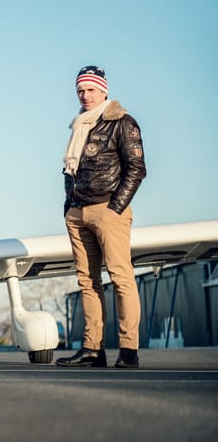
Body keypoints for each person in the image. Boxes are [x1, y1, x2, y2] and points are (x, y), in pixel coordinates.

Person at [56, 65, 146, 369]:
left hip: (109, 209)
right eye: (80, 90)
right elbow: (71, 169)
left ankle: (128, 350)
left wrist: (115, 207)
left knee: (121, 277)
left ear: (103, 90)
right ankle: (93, 349)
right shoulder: (79, 125)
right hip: (78, 212)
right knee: (87, 281)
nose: (85, 95)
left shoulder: (122, 122)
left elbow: (136, 169)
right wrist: (69, 206)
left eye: (91, 89)